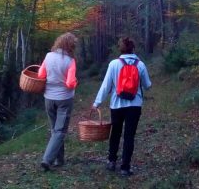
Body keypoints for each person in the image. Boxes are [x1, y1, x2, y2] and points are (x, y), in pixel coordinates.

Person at [92, 37, 152, 177]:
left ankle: (112, 161)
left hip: (116, 105)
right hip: (134, 105)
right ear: (133, 48)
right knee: (129, 136)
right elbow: (147, 85)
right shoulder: (140, 64)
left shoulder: (113, 64)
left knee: (115, 133)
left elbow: (106, 85)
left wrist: (97, 103)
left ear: (121, 49)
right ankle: (125, 167)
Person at [37, 32, 78, 171]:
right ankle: (47, 160)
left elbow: (41, 75)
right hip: (64, 99)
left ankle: (59, 159)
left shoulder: (48, 56)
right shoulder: (70, 61)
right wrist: (75, 82)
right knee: (59, 131)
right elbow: (70, 83)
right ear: (71, 46)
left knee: (55, 129)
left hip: (48, 98)